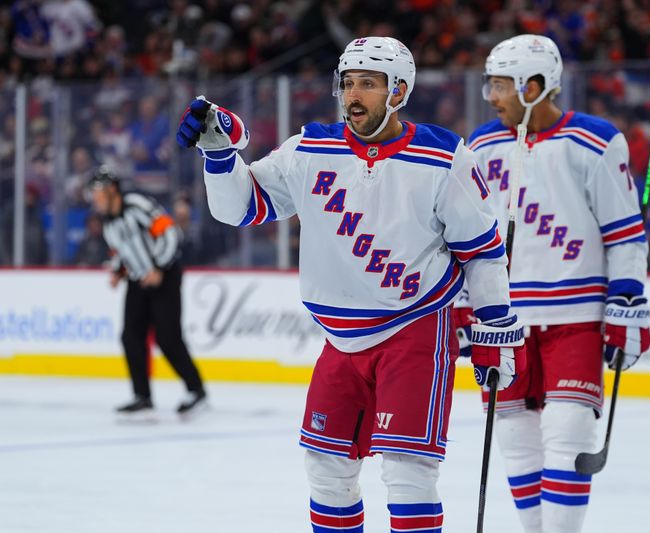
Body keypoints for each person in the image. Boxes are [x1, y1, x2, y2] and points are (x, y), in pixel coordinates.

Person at [176, 36, 525, 533]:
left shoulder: (444, 157)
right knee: (327, 472)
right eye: (348, 83)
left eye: (368, 83)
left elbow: (483, 252)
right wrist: (219, 152)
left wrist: (495, 331)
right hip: (339, 341)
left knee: (407, 477)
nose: (353, 95)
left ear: (399, 91)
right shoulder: (310, 148)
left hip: (416, 331)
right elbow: (239, 207)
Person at [463, 35, 650, 533]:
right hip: (504, 322)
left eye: (500, 86)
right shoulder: (481, 146)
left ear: (535, 86)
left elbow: (626, 233)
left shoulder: (595, 140)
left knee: (567, 433)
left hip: (577, 317)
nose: (492, 97)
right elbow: (464, 237)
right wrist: (464, 307)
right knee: (515, 438)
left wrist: (627, 299)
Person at [88, 167, 207, 419]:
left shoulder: (137, 205)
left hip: (165, 276)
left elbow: (169, 232)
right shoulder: (108, 222)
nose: (94, 197)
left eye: (98, 192)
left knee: (168, 338)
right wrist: (118, 271)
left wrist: (159, 267)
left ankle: (196, 390)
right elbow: (122, 251)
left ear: (112, 191)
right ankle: (142, 396)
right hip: (138, 280)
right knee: (130, 336)